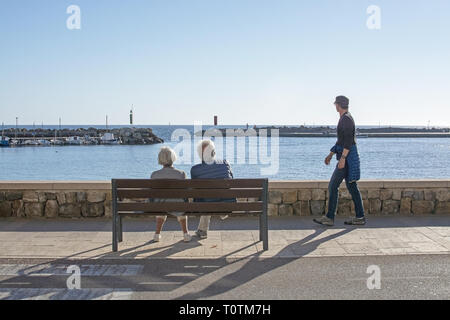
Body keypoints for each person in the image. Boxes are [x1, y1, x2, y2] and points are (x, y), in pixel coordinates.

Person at [314, 96, 366, 226]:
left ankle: (330, 217)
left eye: (335, 104)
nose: (335, 106)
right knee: (352, 186)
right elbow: (340, 141)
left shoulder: (346, 119)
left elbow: (348, 142)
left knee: (333, 185)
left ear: (338, 105)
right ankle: (360, 217)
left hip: (347, 159)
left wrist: (342, 159)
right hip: (347, 157)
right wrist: (331, 154)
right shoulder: (344, 118)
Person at [191, 139, 234, 239]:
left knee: (206, 199)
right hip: (227, 203)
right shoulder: (224, 163)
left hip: (207, 204)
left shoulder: (195, 169)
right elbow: (231, 179)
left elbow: (195, 190)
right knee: (211, 196)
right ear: (213, 152)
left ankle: (202, 231)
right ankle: (221, 213)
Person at [150, 146, 191, 242]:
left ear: (160, 159)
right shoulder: (181, 174)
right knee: (180, 204)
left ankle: (157, 234)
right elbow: (186, 193)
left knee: (161, 202)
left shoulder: (154, 175)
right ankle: (186, 234)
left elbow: (152, 193)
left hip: (159, 205)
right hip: (178, 205)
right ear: (173, 158)